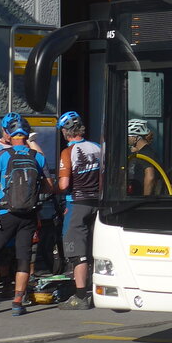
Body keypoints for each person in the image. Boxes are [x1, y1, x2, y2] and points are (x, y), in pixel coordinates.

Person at [0, 115, 53, 316]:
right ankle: (17, 302)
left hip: (6, 213)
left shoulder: (3, 155)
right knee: (23, 256)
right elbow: (50, 188)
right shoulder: (38, 157)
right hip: (29, 214)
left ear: (9, 132)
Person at [56, 111, 101, 310]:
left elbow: (64, 184)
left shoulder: (68, 152)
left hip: (77, 203)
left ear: (66, 132)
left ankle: (81, 296)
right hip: (98, 203)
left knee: (78, 252)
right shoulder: (98, 148)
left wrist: (52, 186)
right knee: (96, 248)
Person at [128, 119, 164, 195]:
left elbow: (150, 177)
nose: (127, 139)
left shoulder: (145, 154)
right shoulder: (144, 151)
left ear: (135, 138)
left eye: (128, 136)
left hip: (140, 199)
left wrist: (145, 198)